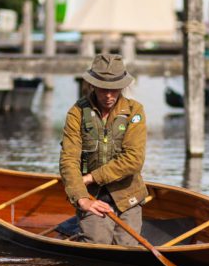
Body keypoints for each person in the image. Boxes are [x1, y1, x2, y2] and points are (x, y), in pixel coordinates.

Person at [60, 53, 148, 245]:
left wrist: (91, 177)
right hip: (94, 195)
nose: (109, 96)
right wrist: (82, 198)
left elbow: (134, 160)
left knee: (128, 249)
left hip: (128, 197)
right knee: (96, 243)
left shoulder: (135, 111)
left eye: (114, 89)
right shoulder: (77, 113)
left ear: (122, 87)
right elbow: (69, 160)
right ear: (92, 85)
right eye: (103, 89)